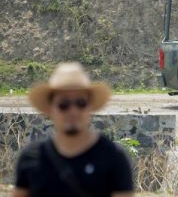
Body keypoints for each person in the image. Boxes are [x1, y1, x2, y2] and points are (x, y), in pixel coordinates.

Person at [13, 62, 133, 197]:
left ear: (90, 107)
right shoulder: (30, 158)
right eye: (64, 104)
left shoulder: (114, 157)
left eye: (81, 103)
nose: (73, 111)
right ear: (49, 109)